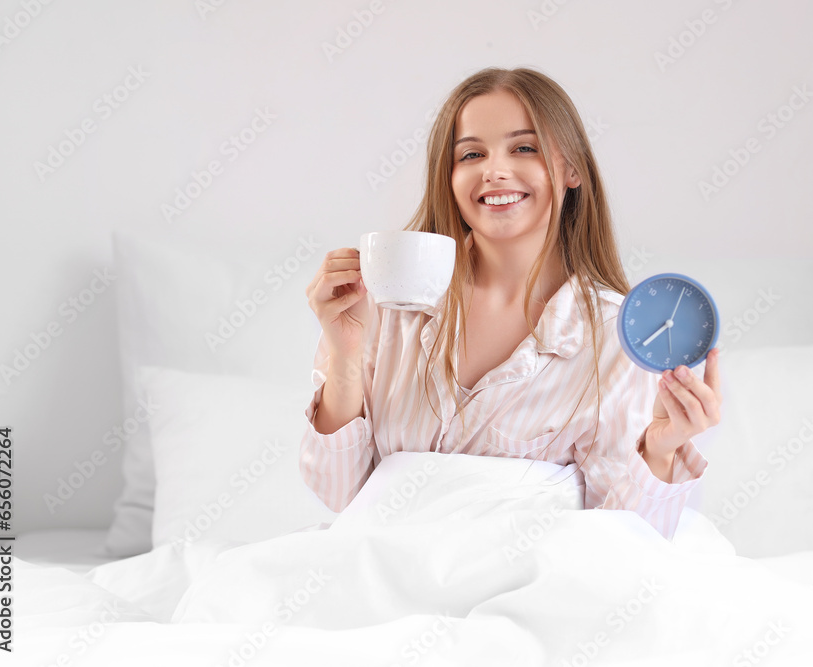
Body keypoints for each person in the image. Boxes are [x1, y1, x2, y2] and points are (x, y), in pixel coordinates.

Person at [301, 66, 721, 539]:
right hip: (380, 575)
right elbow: (339, 493)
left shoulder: (614, 338)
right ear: (450, 175)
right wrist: (345, 355)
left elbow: (621, 546)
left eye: (525, 148)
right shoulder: (387, 303)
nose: (494, 170)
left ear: (572, 169)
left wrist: (661, 451)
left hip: (528, 593)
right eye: (471, 153)